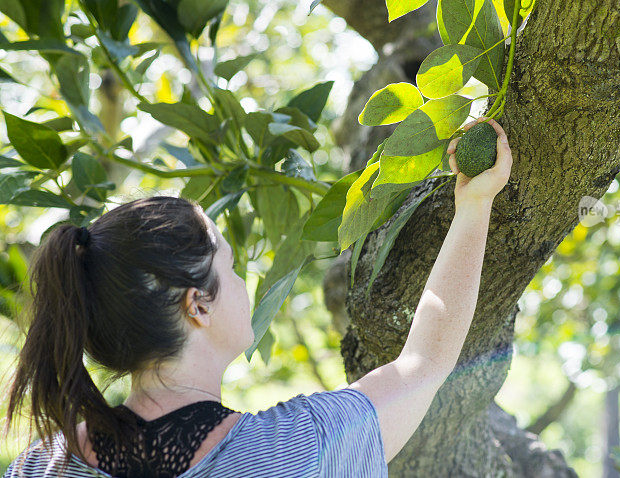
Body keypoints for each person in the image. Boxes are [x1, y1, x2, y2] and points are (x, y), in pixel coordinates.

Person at [2, 117, 512, 478]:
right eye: (230, 264)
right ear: (197, 304)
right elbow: (426, 363)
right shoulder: (297, 450)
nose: (247, 285)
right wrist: (474, 204)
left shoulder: (39, 466)